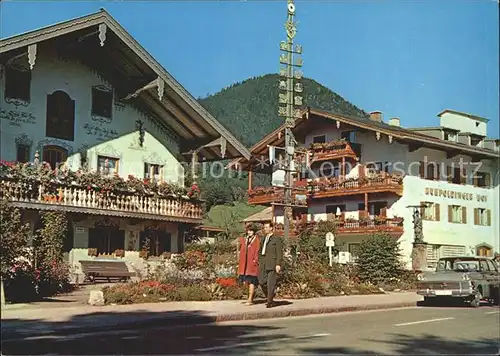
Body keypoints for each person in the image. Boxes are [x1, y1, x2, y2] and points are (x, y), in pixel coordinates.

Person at [258, 221, 283, 308]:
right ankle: (271, 295)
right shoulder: (263, 238)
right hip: (263, 263)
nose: (265, 229)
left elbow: (279, 252)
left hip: (272, 263)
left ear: (271, 228)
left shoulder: (276, 239)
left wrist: (278, 264)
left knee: (270, 283)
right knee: (261, 281)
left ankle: (269, 301)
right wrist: (259, 260)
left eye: (267, 227)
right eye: (264, 227)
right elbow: (260, 250)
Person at [236, 223, 261, 305]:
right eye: (248, 231)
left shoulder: (256, 240)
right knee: (246, 281)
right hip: (245, 265)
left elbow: (257, 251)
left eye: (251, 231)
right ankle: (249, 298)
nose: (249, 232)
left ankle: (250, 299)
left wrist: (255, 260)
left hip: (252, 264)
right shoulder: (246, 239)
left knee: (251, 281)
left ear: (254, 231)